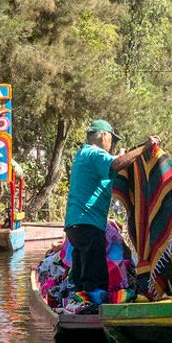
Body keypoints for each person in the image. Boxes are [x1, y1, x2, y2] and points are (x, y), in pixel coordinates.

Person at [64, 120, 158, 303]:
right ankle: (95, 308)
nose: (111, 144)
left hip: (75, 225)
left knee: (82, 271)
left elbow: (115, 165)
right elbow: (117, 164)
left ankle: (79, 304)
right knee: (95, 274)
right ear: (104, 135)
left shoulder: (83, 154)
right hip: (88, 223)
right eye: (111, 140)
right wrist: (145, 148)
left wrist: (121, 156)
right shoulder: (94, 152)